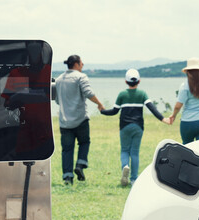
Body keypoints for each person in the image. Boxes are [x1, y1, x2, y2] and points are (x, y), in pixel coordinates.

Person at [101, 69, 170, 186]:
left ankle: (125, 166)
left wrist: (102, 111)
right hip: (138, 127)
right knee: (135, 153)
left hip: (124, 127)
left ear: (125, 81)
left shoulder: (122, 94)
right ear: (139, 81)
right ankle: (134, 179)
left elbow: (114, 111)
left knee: (124, 150)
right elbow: (152, 108)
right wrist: (164, 119)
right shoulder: (142, 94)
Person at [55, 55, 104, 185]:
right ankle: (80, 165)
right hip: (80, 119)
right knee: (84, 142)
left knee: (67, 150)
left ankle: (67, 177)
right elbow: (88, 92)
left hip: (64, 122)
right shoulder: (81, 77)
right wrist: (99, 103)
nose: (83, 65)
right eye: (82, 63)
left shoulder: (59, 80)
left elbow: (57, 101)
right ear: (76, 64)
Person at [169, 57, 199, 144]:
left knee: (187, 150)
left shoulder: (185, 86)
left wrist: (173, 115)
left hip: (188, 122)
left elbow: (178, 106)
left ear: (188, 72)